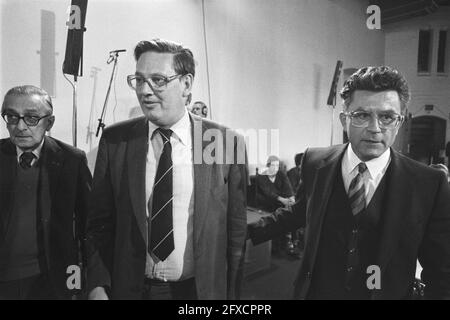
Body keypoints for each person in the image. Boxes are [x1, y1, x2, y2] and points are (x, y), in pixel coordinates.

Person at [250, 66, 450, 299]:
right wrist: (245, 231)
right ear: (345, 120)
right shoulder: (315, 161)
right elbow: (300, 211)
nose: (375, 128)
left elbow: (441, 273)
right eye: (362, 115)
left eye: (387, 117)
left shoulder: (428, 184)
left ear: (399, 122)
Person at [86, 39, 248, 300]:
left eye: (158, 80)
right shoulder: (116, 140)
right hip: (130, 289)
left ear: (186, 84)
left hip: (198, 292)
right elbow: (99, 224)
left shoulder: (224, 142)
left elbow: (236, 232)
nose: (145, 91)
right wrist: (97, 285)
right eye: (139, 80)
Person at [0, 85, 92, 299]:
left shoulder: (72, 160)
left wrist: (79, 283)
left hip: (53, 278)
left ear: (49, 122)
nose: (20, 126)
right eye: (12, 117)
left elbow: (88, 225)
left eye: (31, 118)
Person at [256, 155, 295, 255]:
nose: (276, 168)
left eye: (277, 165)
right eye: (273, 165)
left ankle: (288, 242)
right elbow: (268, 193)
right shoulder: (261, 175)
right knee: (282, 211)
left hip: (279, 202)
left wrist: (291, 199)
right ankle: (279, 245)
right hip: (266, 202)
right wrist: (283, 200)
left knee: (290, 210)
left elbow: (288, 188)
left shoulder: (281, 174)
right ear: (268, 166)